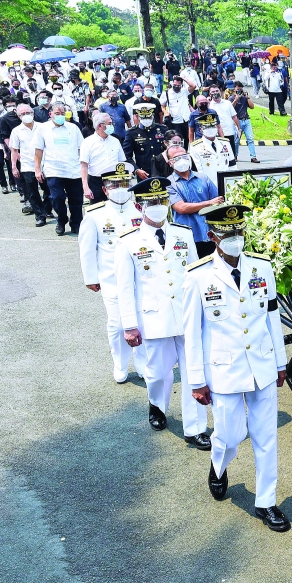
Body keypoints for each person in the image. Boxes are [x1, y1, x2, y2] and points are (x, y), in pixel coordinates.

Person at [182, 204, 289, 532]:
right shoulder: (198, 277)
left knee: (266, 437)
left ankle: (266, 502)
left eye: (239, 232)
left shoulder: (262, 268)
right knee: (229, 436)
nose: (235, 239)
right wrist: (197, 381)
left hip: (262, 365)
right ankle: (218, 466)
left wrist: (280, 362)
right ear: (213, 236)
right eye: (228, 234)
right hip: (224, 371)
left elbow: (272, 316)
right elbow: (192, 334)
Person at [116, 176, 209, 446]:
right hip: (153, 319)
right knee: (158, 373)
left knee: (194, 372)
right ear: (139, 206)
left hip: (187, 316)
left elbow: (196, 276)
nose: (157, 206)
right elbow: (125, 288)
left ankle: (196, 428)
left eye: (161, 201)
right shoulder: (129, 242)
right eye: (150, 202)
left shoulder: (183, 234)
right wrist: (129, 325)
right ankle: (157, 404)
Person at [78, 163, 146, 383]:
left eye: (124, 183)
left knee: (143, 321)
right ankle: (120, 363)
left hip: (141, 278)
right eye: (114, 185)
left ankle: (142, 361)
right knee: (118, 324)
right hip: (111, 279)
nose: (120, 188)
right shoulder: (95, 214)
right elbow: (87, 248)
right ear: (105, 190)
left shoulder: (141, 210)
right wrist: (90, 278)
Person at [34, 103, 85, 236]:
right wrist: (37, 169)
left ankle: (76, 223)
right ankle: (61, 221)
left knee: (76, 199)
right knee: (57, 198)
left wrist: (84, 168)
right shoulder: (42, 128)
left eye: (63, 113)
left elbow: (81, 149)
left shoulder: (73, 128)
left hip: (73, 169)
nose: (60, 116)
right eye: (57, 113)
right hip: (53, 169)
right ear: (50, 114)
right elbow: (38, 150)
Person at [166, 145, 224, 258]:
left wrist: (213, 202)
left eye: (184, 156)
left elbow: (218, 201)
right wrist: (208, 203)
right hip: (187, 237)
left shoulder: (203, 178)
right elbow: (181, 208)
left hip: (210, 234)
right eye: (176, 158)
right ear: (170, 163)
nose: (182, 160)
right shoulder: (169, 184)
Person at [8, 103, 51, 224]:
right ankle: (40, 215)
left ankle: (47, 209)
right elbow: (14, 150)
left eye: (28, 113)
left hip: (45, 163)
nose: (26, 115)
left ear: (33, 113)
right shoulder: (16, 131)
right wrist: (13, 167)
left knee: (49, 190)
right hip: (27, 165)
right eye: (23, 114)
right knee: (32, 192)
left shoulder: (42, 127)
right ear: (19, 116)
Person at [80, 112, 127, 204]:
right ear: (100, 126)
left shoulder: (115, 141)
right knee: (97, 210)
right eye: (109, 124)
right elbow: (83, 166)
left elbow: (122, 162)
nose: (111, 125)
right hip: (96, 181)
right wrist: (85, 187)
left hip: (115, 180)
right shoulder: (87, 142)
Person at [124, 103, 168, 178]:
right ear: (138, 117)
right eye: (143, 118)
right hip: (144, 172)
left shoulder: (163, 129)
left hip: (162, 170)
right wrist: (136, 170)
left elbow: (170, 149)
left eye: (148, 117)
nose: (146, 120)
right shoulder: (132, 133)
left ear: (153, 115)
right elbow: (126, 156)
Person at [189, 114, 235, 182]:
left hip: (226, 184)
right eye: (207, 127)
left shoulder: (225, 143)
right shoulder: (195, 147)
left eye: (213, 126)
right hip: (207, 185)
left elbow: (232, 166)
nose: (210, 129)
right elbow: (197, 171)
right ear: (200, 129)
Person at [161, 75, 196, 149]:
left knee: (186, 139)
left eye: (178, 85)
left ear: (181, 85)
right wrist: (165, 112)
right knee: (177, 140)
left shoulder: (184, 91)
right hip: (175, 121)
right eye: (174, 85)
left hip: (186, 119)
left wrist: (183, 77)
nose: (176, 86)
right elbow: (162, 105)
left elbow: (193, 85)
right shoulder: (166, 93)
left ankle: (185, 153)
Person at [207, 85, 239, 156]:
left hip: (229, 132)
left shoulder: (227, 103)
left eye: (217, 91)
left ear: (220, 91)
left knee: (231, 155)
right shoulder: (209, 106)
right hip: (216, 134)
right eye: (213, 91)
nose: (215, 93)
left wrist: (239, 129)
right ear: (210, 94)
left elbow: (234, 117)